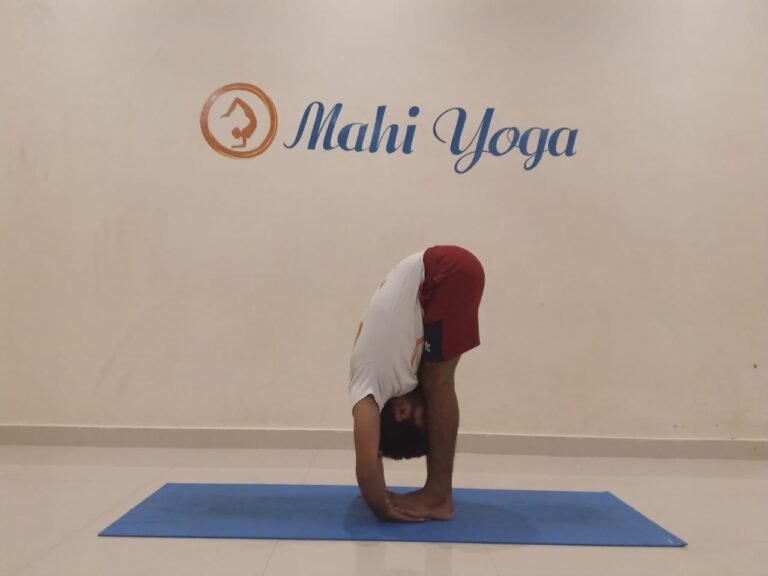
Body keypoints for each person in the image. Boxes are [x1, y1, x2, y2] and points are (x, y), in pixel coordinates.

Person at [349, 246, 485, 521]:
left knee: (437, 381)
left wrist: (382, 507)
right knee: (434, 379)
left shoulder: (368, 387)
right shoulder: (384, 378)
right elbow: (370, 459)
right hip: (443, 272)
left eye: (426, 418)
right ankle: (437, 494)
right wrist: (380, 492)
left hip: (444, 272)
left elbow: (366, 467)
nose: (429, 410)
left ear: (401, 412)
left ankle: (438, 497)